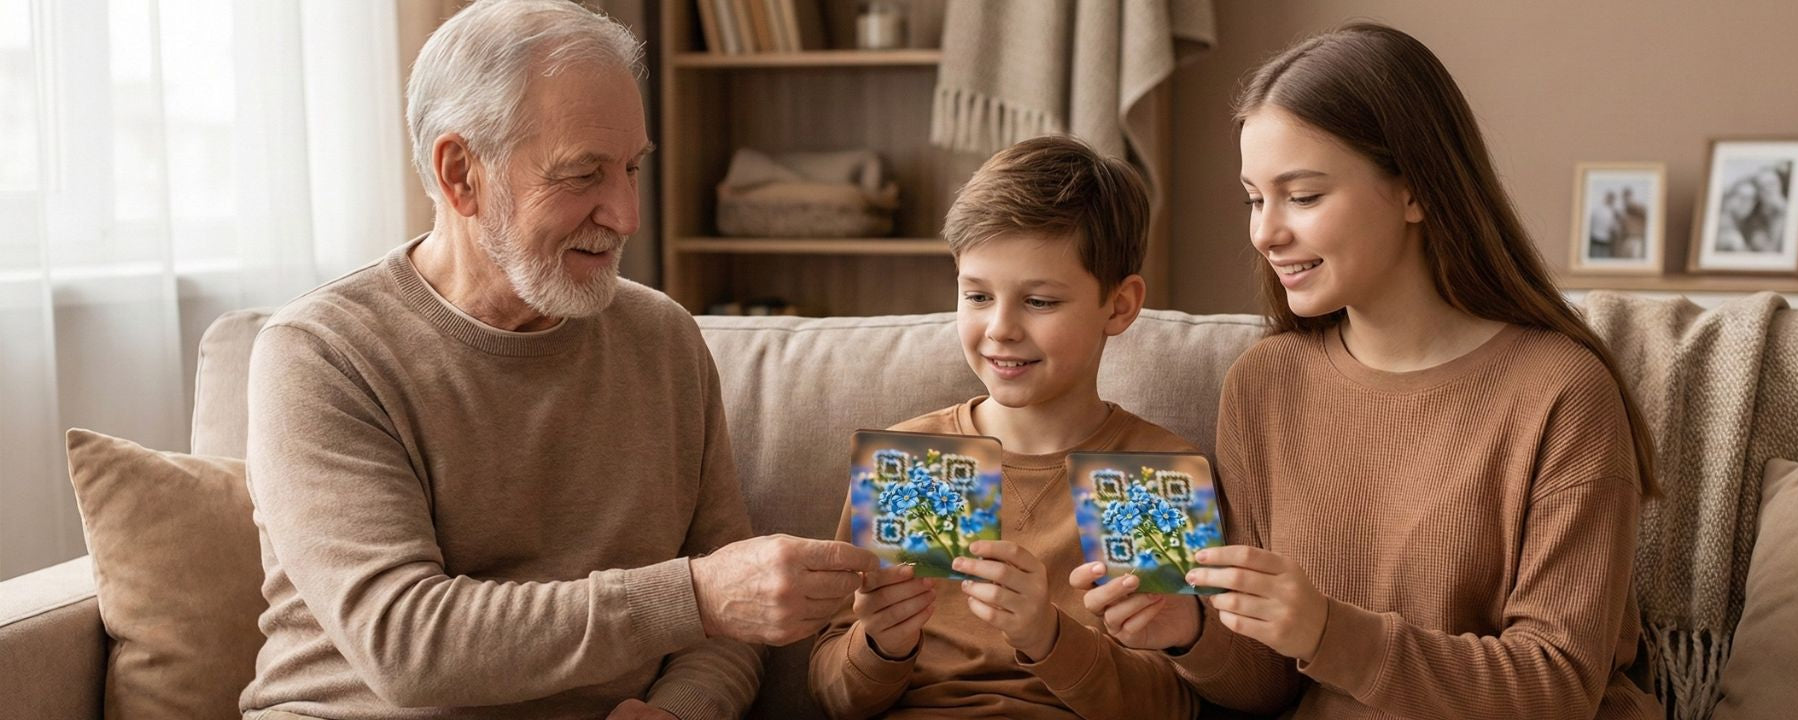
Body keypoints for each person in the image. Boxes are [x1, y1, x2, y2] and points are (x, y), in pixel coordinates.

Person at [241, 2, 876, 718]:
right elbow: (406, 646)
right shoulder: (324, 354)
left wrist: (679, 710)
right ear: (461, 175)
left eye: (632, 168)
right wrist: (694, 596)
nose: (627, 214)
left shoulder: (663, 341)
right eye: (583, 175)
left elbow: (730, 628)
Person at [1075, 23, 1663, 718]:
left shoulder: (1561, 392)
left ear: (1416, 191)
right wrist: (1192, 633)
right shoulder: (1265, 384)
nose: (1265, 233)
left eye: (1303, 195)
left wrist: (1330, 630)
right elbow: (1271, 684)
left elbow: (1556, 686)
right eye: (1254, 198)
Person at [808, 136, 1201, 719]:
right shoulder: (916, 464)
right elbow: (833, 694)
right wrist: (879, 646)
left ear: (1118, 307)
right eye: (977, 295)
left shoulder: (1143, 474)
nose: (1000, 328)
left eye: (1039, 302)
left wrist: (1049, 637)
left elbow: (1172, 705)